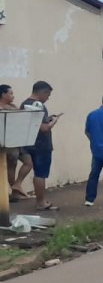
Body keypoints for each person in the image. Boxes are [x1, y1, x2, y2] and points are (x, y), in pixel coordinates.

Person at [22, 81, 60, 211]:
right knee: (41, 174)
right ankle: (41, 202)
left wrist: (47, 118)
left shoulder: (24, 104)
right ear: (42, 92)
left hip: (29, 143)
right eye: (48, 95)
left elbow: (34, 123)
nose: (48, 98)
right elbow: (44, 128)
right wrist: (53, 121)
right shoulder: (39, 106)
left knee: (37, 173)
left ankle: (40, 200)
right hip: (41, 145)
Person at [1, 84, 34, 201]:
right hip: (8, 142)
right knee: (12, 166)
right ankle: (15, 193)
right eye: (10, 93)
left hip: (19, 141)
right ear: (3, 94)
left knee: (28, 162)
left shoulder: (12, 106)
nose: (13, 96)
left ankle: (17, 185)